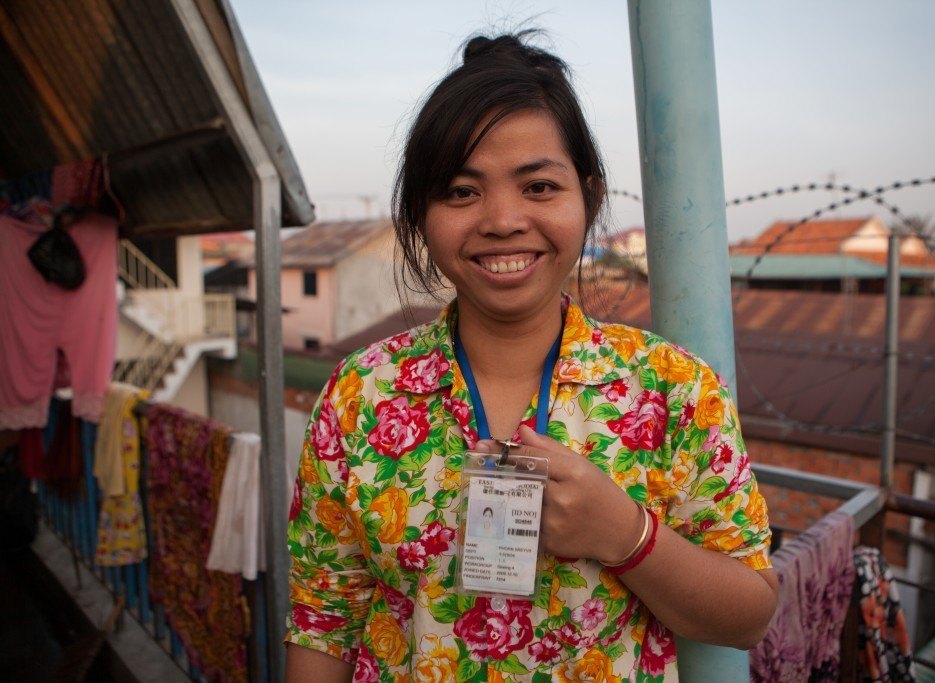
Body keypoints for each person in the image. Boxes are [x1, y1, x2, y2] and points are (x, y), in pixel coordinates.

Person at [286, 32, 777, 682]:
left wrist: (625, 533)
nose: (503, 218)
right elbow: (322, 622)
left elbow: (747, 614)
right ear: (420, 216)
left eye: (539, 185)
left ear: (589, 199)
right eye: (462, 191)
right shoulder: (358, 395)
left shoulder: (674, 389)